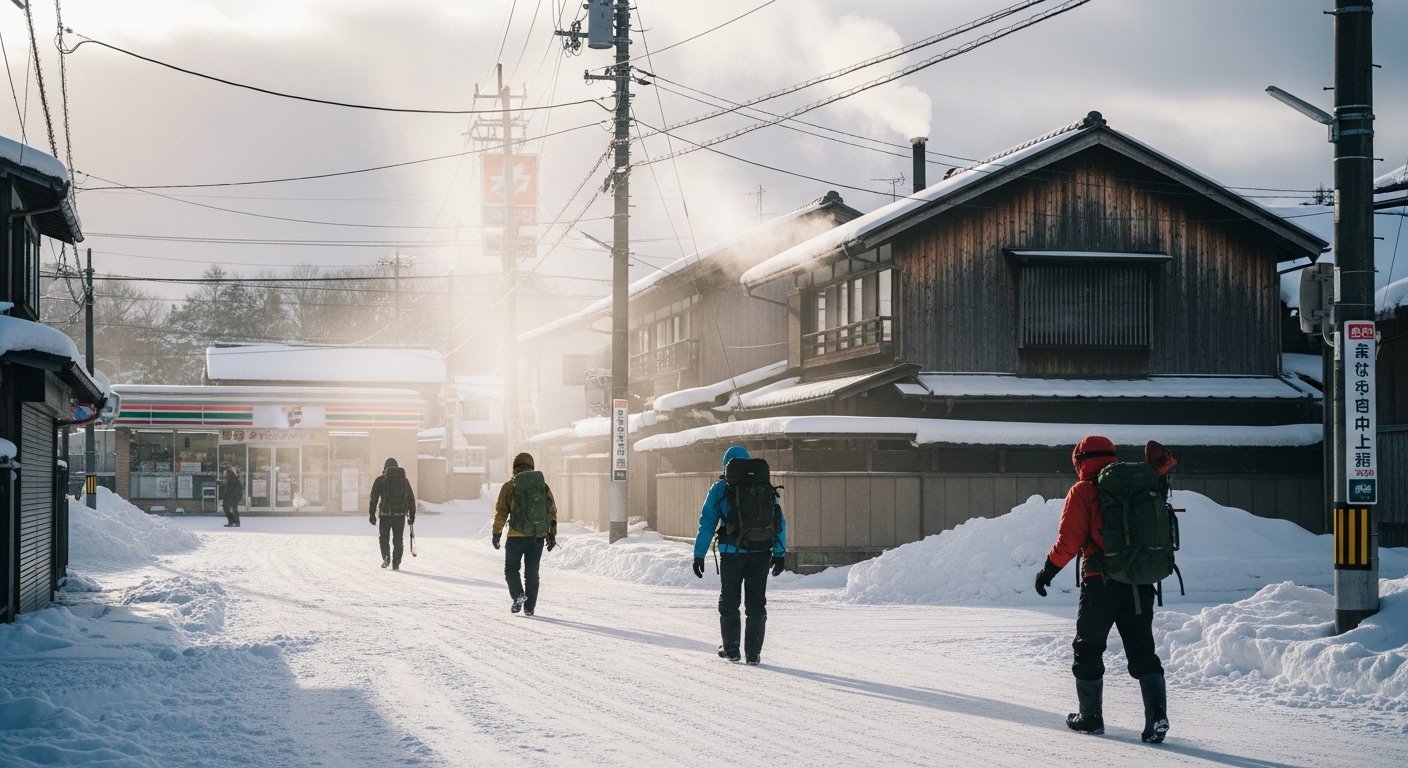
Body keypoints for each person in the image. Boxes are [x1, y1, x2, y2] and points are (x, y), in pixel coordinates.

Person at [1033, 435, 1170, 743]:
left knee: (1088, 647)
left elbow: (1069, 541)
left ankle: (1091, 718)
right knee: (1142, 650)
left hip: (1100, 581)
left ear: (1079, 461)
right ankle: (1157, 717)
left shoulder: (1083, 491)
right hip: (1139, 582)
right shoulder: (1139, 486)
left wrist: (1047, 571)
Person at [691, 444, 787, 666]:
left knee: (730, 602)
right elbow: (780, 521)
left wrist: (699, 554)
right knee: (756, 605)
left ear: (727, 465)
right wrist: (780, 553)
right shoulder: (764, 485)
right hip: (761, 552)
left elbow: (707, 522)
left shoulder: (720, 488)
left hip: (732, 554)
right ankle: (753, 654)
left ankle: (732, 650)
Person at [492, 452, 558, 616]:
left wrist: (496, 532)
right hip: (537, 537)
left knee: (511, 570)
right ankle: (530, 608)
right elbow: (551, 511)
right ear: (532, 466)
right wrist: (551, 534)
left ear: (514, 467)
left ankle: (518, 595)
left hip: (516, 536)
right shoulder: (543, 486)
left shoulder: (509, 486)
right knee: (532, 573)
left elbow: (501, 512)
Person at [369, 457, 416, 570]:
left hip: (385, 514)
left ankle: (386, 557)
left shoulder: (380, 480)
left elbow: (374, 498)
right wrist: (412, 515)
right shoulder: (404, 481)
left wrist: (372, 514)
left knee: (384, 538)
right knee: (398, 539)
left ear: (385, 468)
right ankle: (396, 562)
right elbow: (411, 499)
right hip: (400, 515)